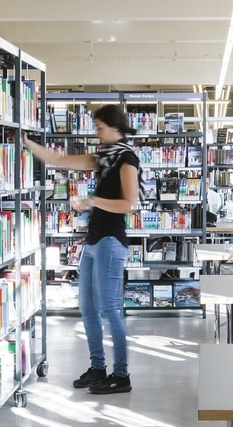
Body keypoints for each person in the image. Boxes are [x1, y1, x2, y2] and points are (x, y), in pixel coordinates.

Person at [22, 104, 139, 394]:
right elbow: (60, 160)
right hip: (94, 241)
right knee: (87, 308)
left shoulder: (127, 158)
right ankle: (98, 368)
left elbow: (128, 204)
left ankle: (121, 375)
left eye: (100, 127)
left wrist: (91, 201)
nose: (97, 133)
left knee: (111, 309)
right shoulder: (104, 157)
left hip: (111, 241)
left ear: (115, 127)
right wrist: (25, 141)